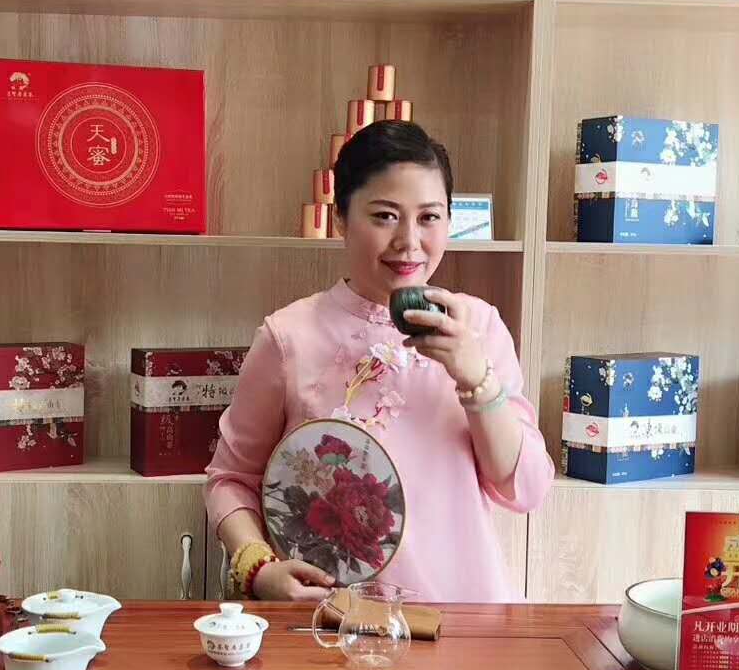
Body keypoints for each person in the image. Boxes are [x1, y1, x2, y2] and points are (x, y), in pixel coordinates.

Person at [204, 120, 554, 602]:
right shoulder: (288, 337)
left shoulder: (479, 326)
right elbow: (230, 480)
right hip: (330, 617)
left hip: (462, 615)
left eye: (429, 217)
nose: (409, 241)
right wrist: (258, 569)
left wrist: (478, 379)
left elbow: (526, 490)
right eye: (386, 216)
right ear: (341, 219)